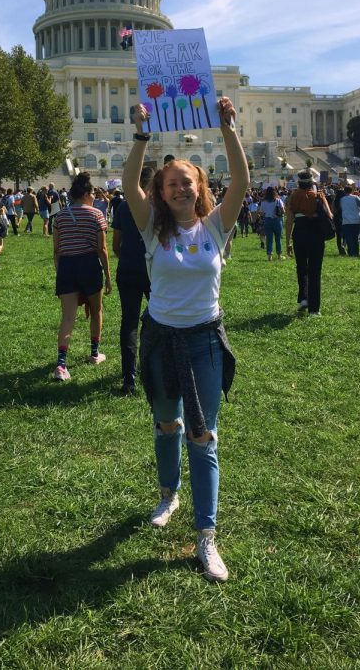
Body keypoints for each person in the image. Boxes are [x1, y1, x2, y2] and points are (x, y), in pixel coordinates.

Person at [122, 97, 248, 583]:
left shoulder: (215, 227)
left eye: (187, 181)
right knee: (166, 424)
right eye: (170, 181)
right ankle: (168, 494)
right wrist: (141, 134)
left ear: (199, 189)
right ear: (161, 190)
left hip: (203, 340)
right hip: (159, 338)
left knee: (204, 436)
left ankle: (206, 536)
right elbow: (131, 183)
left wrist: (228, 129)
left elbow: (241, 181)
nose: (179, 186)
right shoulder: (153, 228)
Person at [52, 172, 112, 381]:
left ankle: (61, 364)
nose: (95, 196)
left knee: (68, 317)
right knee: (96, 311)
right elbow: (102, 249)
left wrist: (60, 271)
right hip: (88, 265)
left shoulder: (60, 216)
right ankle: (95, 353)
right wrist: (108, 275)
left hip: (67, 266)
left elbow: (56, 250)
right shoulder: (97, 215)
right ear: (86, 193)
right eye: (93, 193)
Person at [112, 166, 153, 395]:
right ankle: (153, 368)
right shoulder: (156, 208)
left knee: (128, 323)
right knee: (158, 319)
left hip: (127, 268)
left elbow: (116, 244)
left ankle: (129, 377)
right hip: (153, 271)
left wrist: (128, 256)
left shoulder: (123, 207)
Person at [285, 171, 333, 316]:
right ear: (312, 182)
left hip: (299, 233)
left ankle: (304, 298)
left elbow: (288, 221)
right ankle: (314, 309)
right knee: (315, 270)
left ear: (298, 183)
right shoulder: (319, 196)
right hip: (316, 234)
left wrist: (287, 241)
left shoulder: (293, 197)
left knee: (301, 267)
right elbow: (330, 215)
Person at [259, 186, 285, 260]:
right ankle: (279, 255)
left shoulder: (263, 202)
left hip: (267, 221)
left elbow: (261, 213)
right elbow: (283, 211)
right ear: (275, 192)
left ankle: (269, 255)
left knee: (269, 239)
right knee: (278, 238)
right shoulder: (278, 201)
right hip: (277, 220)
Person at [339, 185, 360, 257]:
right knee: (356, 237)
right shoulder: (355, 197)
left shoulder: (342, 199)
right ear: (352, 191)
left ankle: (351, 252)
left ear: (344, 191)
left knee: (349, 237)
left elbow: (341, 208)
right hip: (356, 220)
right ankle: (356, 252)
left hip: (346, 221)